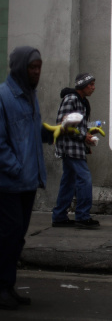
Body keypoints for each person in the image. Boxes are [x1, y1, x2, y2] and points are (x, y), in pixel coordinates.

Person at [0, 46, 53, 310]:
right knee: (8, 236)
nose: (37, 72)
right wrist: (16, 168)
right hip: (8, 184)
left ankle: (7, 286)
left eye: (39, 67)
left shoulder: (30, 97)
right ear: (21, 68)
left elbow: (32, 132)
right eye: (33, 67)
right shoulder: (3, 96)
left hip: (28, 182)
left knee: (17, 237)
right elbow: (0, 143)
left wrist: (55, 132)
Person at [51, 73, 100, 229]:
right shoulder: (71, 99)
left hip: (76, 147)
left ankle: (59, 216)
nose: (93, 87)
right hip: (69, 147)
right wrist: (83, 136)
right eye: (90, 84)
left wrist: (86, 140)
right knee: (84, 179)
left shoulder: (81, 101)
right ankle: (82, 216)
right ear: (82, 86)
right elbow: (64, 124)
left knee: (69, 181)